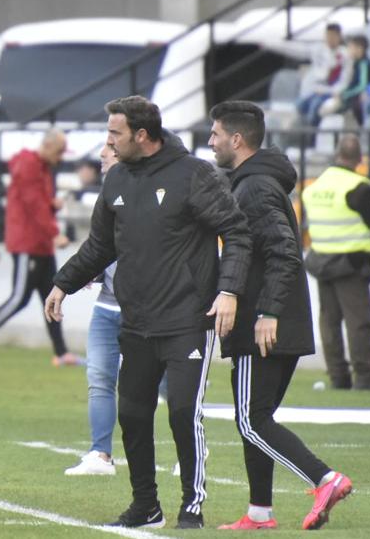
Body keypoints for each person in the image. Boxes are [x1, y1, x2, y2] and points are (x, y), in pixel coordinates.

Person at [44, 95, 251, 530]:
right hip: (135, 320)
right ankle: (146, 506)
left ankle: (192, 505)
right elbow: (101, 244)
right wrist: (63, 283)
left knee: (180, 411)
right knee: (133, 415)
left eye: (114, 133)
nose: (108, 142)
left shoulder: (194, 175)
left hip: (187, 320)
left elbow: (236, 231)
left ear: (142, 135)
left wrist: (228, 290)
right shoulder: (117, 179)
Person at [208, 101, 354, 530]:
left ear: (237, 139)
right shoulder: (255, 182)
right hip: (273, 320)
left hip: (265, 321)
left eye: (216, 134)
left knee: (251, 419)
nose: (211, 141)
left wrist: (267, 311)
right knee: (258, 418)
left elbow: (284, 253)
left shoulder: (253, 188)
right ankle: (259, 513)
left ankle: (325, 478)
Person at [301, 134, 370, 392]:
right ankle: (365, 377)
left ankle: (338, 378)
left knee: (329, 322)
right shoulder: (358, 186)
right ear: (360, 159)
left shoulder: (315, 187)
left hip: (321, 260)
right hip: (351, 262)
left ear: (336, 155)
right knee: (358, 321)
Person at [0, 129, 78, 367]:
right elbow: (34, 207)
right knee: (19, 298)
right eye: (60, 151)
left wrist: (52, 206)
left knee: (51, 297)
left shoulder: (40, 167)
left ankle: (61, 353)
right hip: (27, 243)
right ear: (49, 146)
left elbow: (39, 204)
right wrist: (56, 233)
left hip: (40, 244)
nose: (62, 157)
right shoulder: (30, 166)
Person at [64, 144, 121, 477]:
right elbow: (103, 245)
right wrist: (92, 271)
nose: (102, 153)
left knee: (162, 384)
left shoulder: (147, 192)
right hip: (107, 304)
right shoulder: (106, 193)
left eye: (111, 146)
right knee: (99, 377)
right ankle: (100, 454)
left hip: (146, 306)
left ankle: (189, 446)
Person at [296, 23, 348, 128]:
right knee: (300, 105)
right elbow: (319, 74)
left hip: (333, 91)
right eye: (328, 36)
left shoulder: (344, 55)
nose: (330, 39)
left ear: (339, 37)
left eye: (333, 36)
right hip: (319, 89)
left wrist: (336, 91)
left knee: (315, 107)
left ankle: (312, 138)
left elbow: (345, 79)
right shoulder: (321, 51)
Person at [317, 34, 370, 126]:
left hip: (359, 97)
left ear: (360, 49)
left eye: (351, 48)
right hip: (349, 95)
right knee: (321, 108)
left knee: (327, 109)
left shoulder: (364, 64)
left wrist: (344, 95)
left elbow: (362, 86)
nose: (349, 50)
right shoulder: (356, 63)